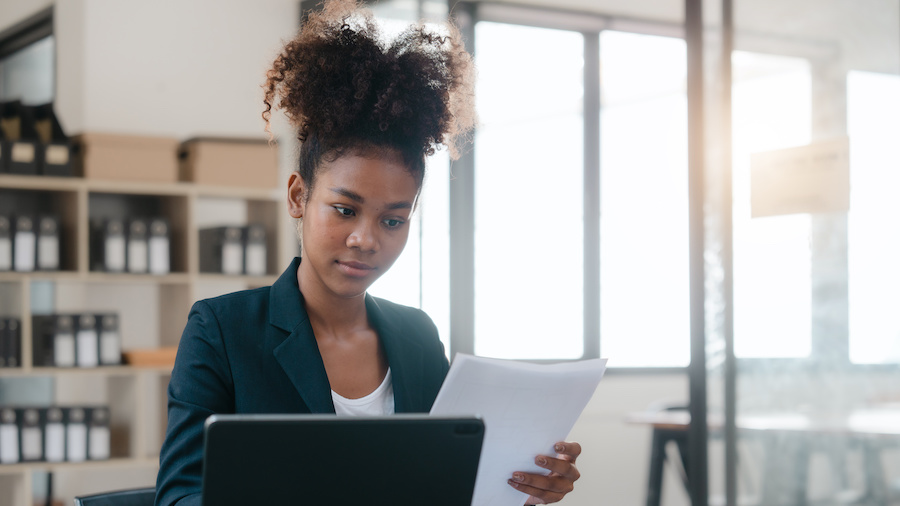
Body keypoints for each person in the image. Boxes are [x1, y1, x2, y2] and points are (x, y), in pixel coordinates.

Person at [155, 1, 582, 504]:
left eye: (393, 219)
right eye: (344, 210)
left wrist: (524, 487)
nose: (367, 239)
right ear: (298, 196)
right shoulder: (222, 332)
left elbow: (450, 488)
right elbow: (179, 497)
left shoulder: (416, 337)